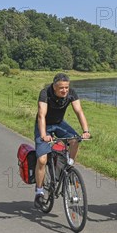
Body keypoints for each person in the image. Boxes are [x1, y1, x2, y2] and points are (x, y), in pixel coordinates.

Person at [33, 73, 91, 208]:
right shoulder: (45, 93)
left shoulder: (71, 93)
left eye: (66, 87)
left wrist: (86, 131)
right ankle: (39, 192)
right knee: (42, 160)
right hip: (44, 126)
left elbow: (79, 111)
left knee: (75, 140)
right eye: (61, 88)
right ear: (54, 87)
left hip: (59, 123)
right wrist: (43, 135)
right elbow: (41, 115)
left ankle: (69, 166)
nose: (64, 90)